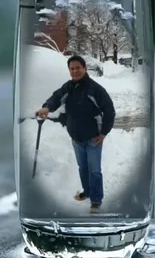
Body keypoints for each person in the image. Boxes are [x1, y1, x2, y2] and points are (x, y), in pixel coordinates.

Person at [36, 55, 116, 213]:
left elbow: (109, 111)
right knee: (83, 168)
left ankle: (96, 200)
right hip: (76, 138)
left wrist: (104, 133)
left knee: (94, 170)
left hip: (93, 138)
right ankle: (88, 192)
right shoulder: (69, 87)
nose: (75, 71)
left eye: (78, 68)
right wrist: (47, 108)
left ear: (85, 68)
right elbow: (57, 97)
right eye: (71, 69)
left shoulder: (95, 90)